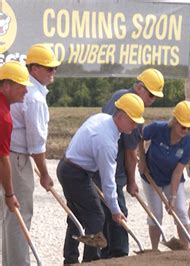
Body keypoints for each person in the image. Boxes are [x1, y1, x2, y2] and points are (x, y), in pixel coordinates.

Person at [56, 93, 144, 264]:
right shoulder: (106, 142)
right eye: (132, 121)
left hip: (71, 168)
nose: (134, 126)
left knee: (77, 216)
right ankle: (91, 261)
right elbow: (108, 181)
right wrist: (116, 211)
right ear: (119, 116)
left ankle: (71, 260)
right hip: (75, 173)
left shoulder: (103, 118)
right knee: (97, 216)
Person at [93, 68, 164, 258]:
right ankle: (118, 255)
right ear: (139, 87)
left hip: (97, 165)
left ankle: (104, 254)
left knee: (104, 212)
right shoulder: (134, 110)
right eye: (150, 94)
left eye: (155, 96)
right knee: (117, 211)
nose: (152, 99)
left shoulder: (118, 95)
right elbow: (131, 154)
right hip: (111, 169)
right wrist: (132, 182)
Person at [3, 44, 59, 266]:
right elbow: (36, 143)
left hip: (13, 156)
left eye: (54, 68)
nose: (53, 72)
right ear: (34, 68)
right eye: (49, 68)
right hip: (16, 159)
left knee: (10, 217)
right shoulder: (34, 98)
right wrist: (44, 173)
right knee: (19, 215)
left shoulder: (28, 91)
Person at [139, 100, 190, 250]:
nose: (185, 130)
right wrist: (142, 160)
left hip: (173, 178)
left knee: (180, 211)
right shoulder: (158, 129)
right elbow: (140, 137)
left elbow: (178, 171)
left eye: (189, 128)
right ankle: (154, 249)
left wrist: (172, 197)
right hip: (151, 176)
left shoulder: (188, 143)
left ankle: (186, 247)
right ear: (175, 121)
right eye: (183, 126)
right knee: (156, 214)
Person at [0, 61, 30, 221]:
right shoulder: (3, 117)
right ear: (6, 85)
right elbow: (3, 160)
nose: (26, 90)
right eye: (21, 85)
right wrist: (10, 194)